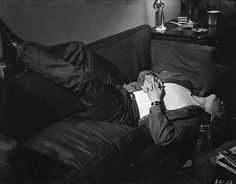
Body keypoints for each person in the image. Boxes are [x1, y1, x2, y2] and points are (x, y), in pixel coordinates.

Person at [0, 19, 224, 146]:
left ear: (213, 117)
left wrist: (156, 103)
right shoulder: (186, 82)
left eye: (222, 108)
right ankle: (20, 57)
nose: (222, 103)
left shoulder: (192, 121)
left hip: (124, 110)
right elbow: (147, 73)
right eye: (223, 103)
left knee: (83, 79)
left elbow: (163, 138)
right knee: (80, 50)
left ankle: (18, 49)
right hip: (124, 88)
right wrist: (148, 78)